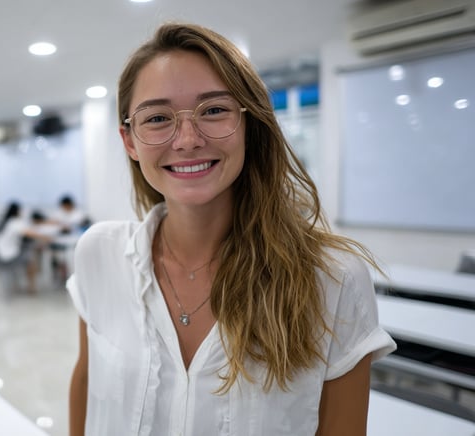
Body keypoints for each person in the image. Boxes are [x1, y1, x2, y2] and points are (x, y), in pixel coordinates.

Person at [67, 23, 396, 436]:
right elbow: (86, 383)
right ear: (130, 141)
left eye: (214, 110)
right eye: (156, 118)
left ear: (249, 124)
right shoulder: (99, 254)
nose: (187, 139)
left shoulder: (331, 279)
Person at [0, 202, 53, 294]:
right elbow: (29, 233)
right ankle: (32, 288)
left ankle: (26, 285)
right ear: (17, 211)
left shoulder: (7, 222)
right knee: (31, 259)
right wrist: (46, 237)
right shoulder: (15, 222)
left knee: (31, 252)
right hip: (7, 255)